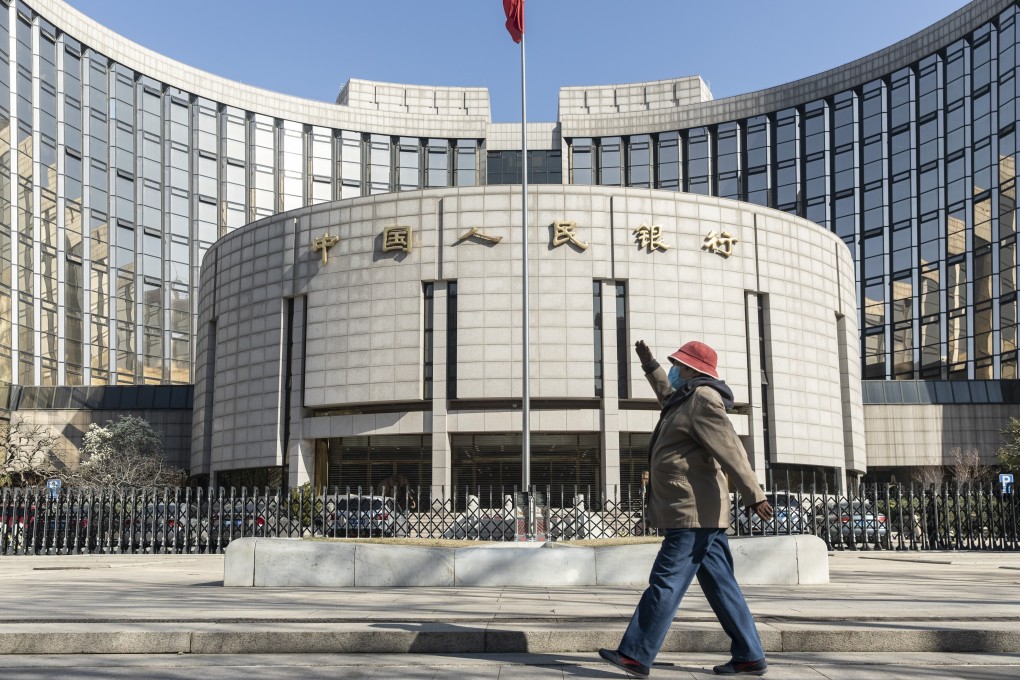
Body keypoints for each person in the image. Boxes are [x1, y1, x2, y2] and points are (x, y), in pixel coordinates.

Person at [599, 340, 773, 678]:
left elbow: (731, 449)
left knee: (666, 581)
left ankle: (635, 654)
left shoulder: (703, 398)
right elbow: (667, 393)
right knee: (722, 587)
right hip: (699, 513)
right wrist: (650, 365)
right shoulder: (686, 397)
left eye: (679, 365)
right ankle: (750, 655)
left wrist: (754, 494)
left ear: (693, 369)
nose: (675, 370)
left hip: (692, 511)